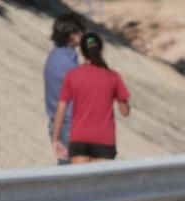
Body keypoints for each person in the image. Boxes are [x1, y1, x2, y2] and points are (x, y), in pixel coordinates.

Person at [50, 33, 130, 164]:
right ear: (101, 50)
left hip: (79, 138)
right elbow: (125, 112)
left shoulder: (72, 75)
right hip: (104, 139)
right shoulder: (113, 76)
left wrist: (55, 139)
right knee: (103, 184)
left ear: (81, 51)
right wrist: (123, 100)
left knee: (80, 183)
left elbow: (61, 108)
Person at [44, 12, 86, 165]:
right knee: (75, 178)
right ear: (72, 36)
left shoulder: (54, 56)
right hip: (70, 126)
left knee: (67, 172)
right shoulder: (68, 63)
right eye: (81, 32)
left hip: (58, 123)